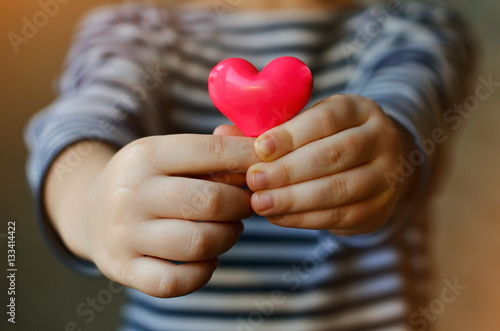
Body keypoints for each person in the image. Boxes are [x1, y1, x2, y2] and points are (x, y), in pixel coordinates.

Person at [25, 0, 474, 330]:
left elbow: (409, 113)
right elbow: (76, 129)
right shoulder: (133, 30)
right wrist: (92, 203)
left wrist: (386, 165)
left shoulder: (417, 27)